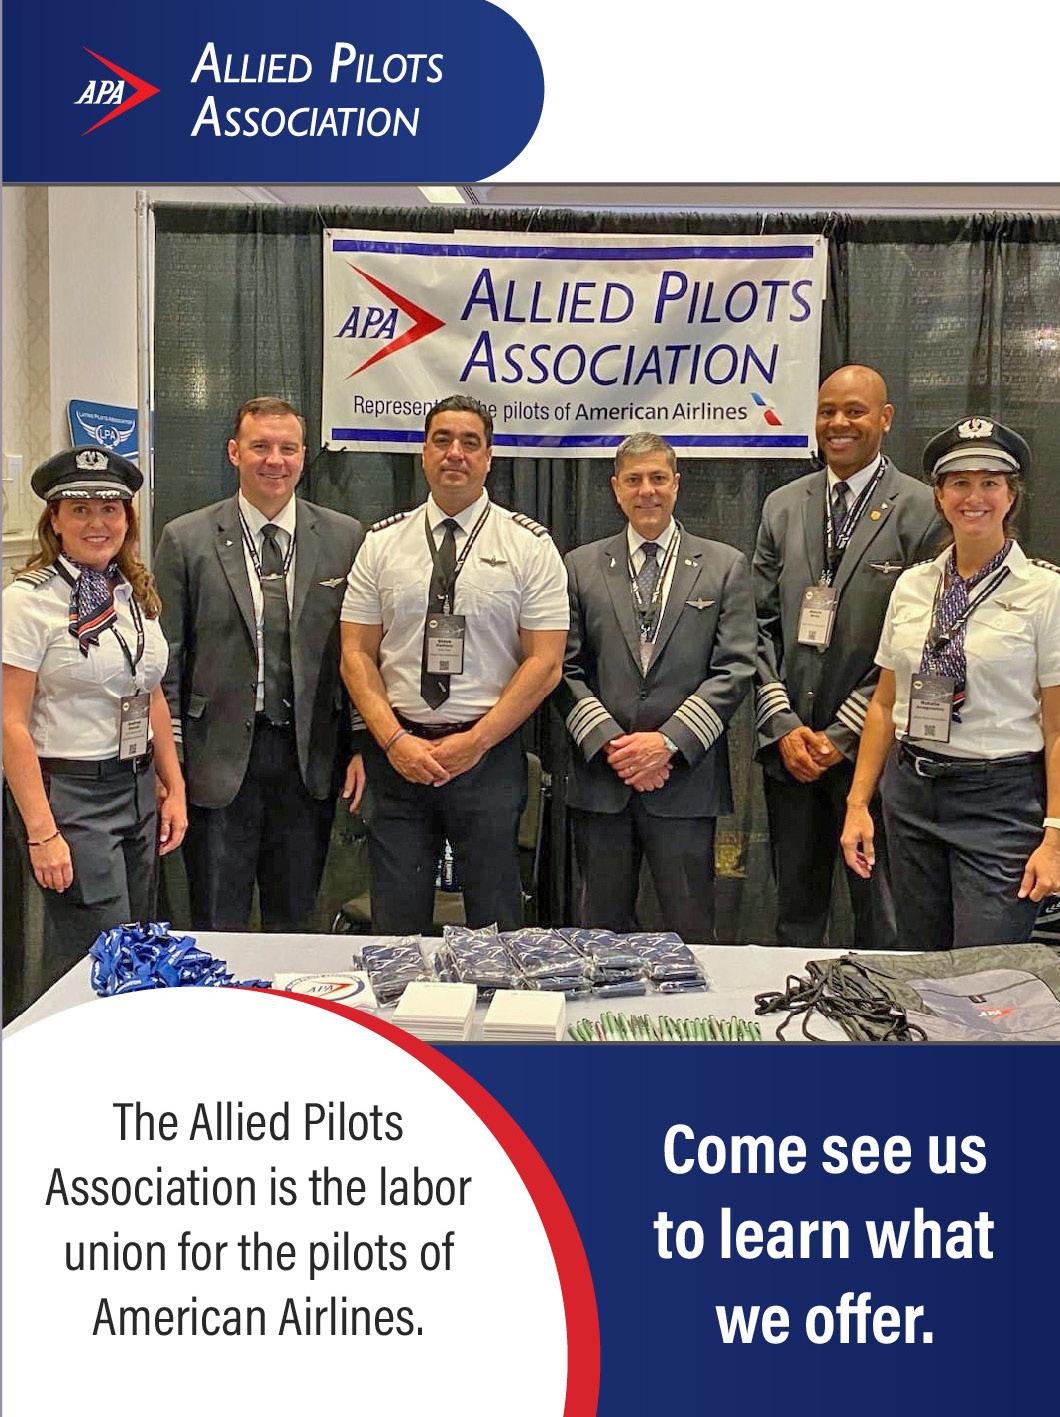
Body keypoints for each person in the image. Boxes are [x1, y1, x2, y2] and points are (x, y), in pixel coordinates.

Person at [340, 394, 569, 934]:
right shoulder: (382, 543)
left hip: (487, 757)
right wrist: (393, 740)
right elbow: (355, 654)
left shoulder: (530, 546)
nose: (455, 453)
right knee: (397, 927)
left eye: (470, 442)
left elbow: (545, 663)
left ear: (489, 457)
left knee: (495, 926)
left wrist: (477, 741)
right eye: (442, 440)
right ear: (423, 452)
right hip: (398, 757)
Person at [841, 416, 1060, 949]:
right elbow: (884, 704)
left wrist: (1056, 836)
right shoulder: (912, 586)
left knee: (986, 971)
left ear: (1012, 495)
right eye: (959, 483)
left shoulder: (1045, 592)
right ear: (939, 496)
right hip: (911, 797)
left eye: (990, 482)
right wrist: (857, 804)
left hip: (999, 803)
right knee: (923, 962)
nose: (974, 497)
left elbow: (1057, 728)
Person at [154, 397, 364, 932]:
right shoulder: (186, 538)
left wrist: (361, 744)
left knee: (295, 924)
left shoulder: (345, 537)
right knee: (216, 923)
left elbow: (360, 652)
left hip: (307, 761)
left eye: (288, 448)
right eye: (260, 447)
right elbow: (167, 662)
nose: (275, 460)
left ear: (303, 456)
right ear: (234, 452)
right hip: (216, 761)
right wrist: (169, 764)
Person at [753, 364, 941, 949]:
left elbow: (925, 642)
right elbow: (756, 625)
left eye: (855, 411)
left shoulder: (924, 510)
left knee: (881, 922)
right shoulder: (783, 505)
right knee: (795, 917)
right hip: (791, 754)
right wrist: (784, 725)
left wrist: (843, 734)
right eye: (827, 411)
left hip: (875, 757)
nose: (839, 423)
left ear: (885, 419)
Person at [2, 447, 186, 997]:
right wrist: (42, 834)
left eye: (110, 508)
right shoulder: (27, 602)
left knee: (141, 945)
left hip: (137, 789)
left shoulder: (132, 592)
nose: (97, 522)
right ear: (55, 520)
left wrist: (173, 786)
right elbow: (10, 724)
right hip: (71, 795)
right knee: (98, 957)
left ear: (127, 519)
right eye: (79, 509)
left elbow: (150, 692)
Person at [556, 433, 755, 940]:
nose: (647, 490)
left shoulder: (724, 565)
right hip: (603, 782)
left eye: (658, 478)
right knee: (600, 939)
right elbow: (563, 669)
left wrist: (666, 744)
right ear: (615, 488)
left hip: (684, 783)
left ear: (677, 484)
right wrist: (614, 746)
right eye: (634, 479)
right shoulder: (579, 566)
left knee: (691, 934)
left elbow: (735, 668)